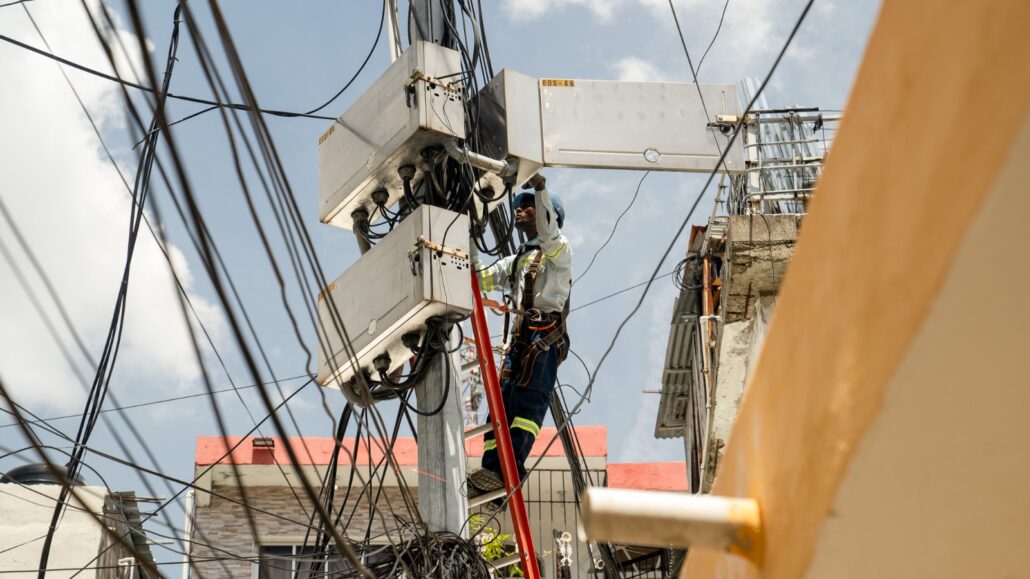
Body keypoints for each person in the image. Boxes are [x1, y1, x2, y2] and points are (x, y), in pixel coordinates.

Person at [467, 173, 572, 499]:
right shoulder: (515, 263)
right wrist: (466, 231)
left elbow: (550, 233)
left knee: (527, 404)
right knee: (501, 404)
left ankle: (510, 469)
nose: (519, 210)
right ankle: (491, 470)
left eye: (528, 206)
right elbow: (480, 278)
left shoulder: (558, 253)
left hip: (544, 338)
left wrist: (540, 190)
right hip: (520, 340)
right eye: (520, 205)